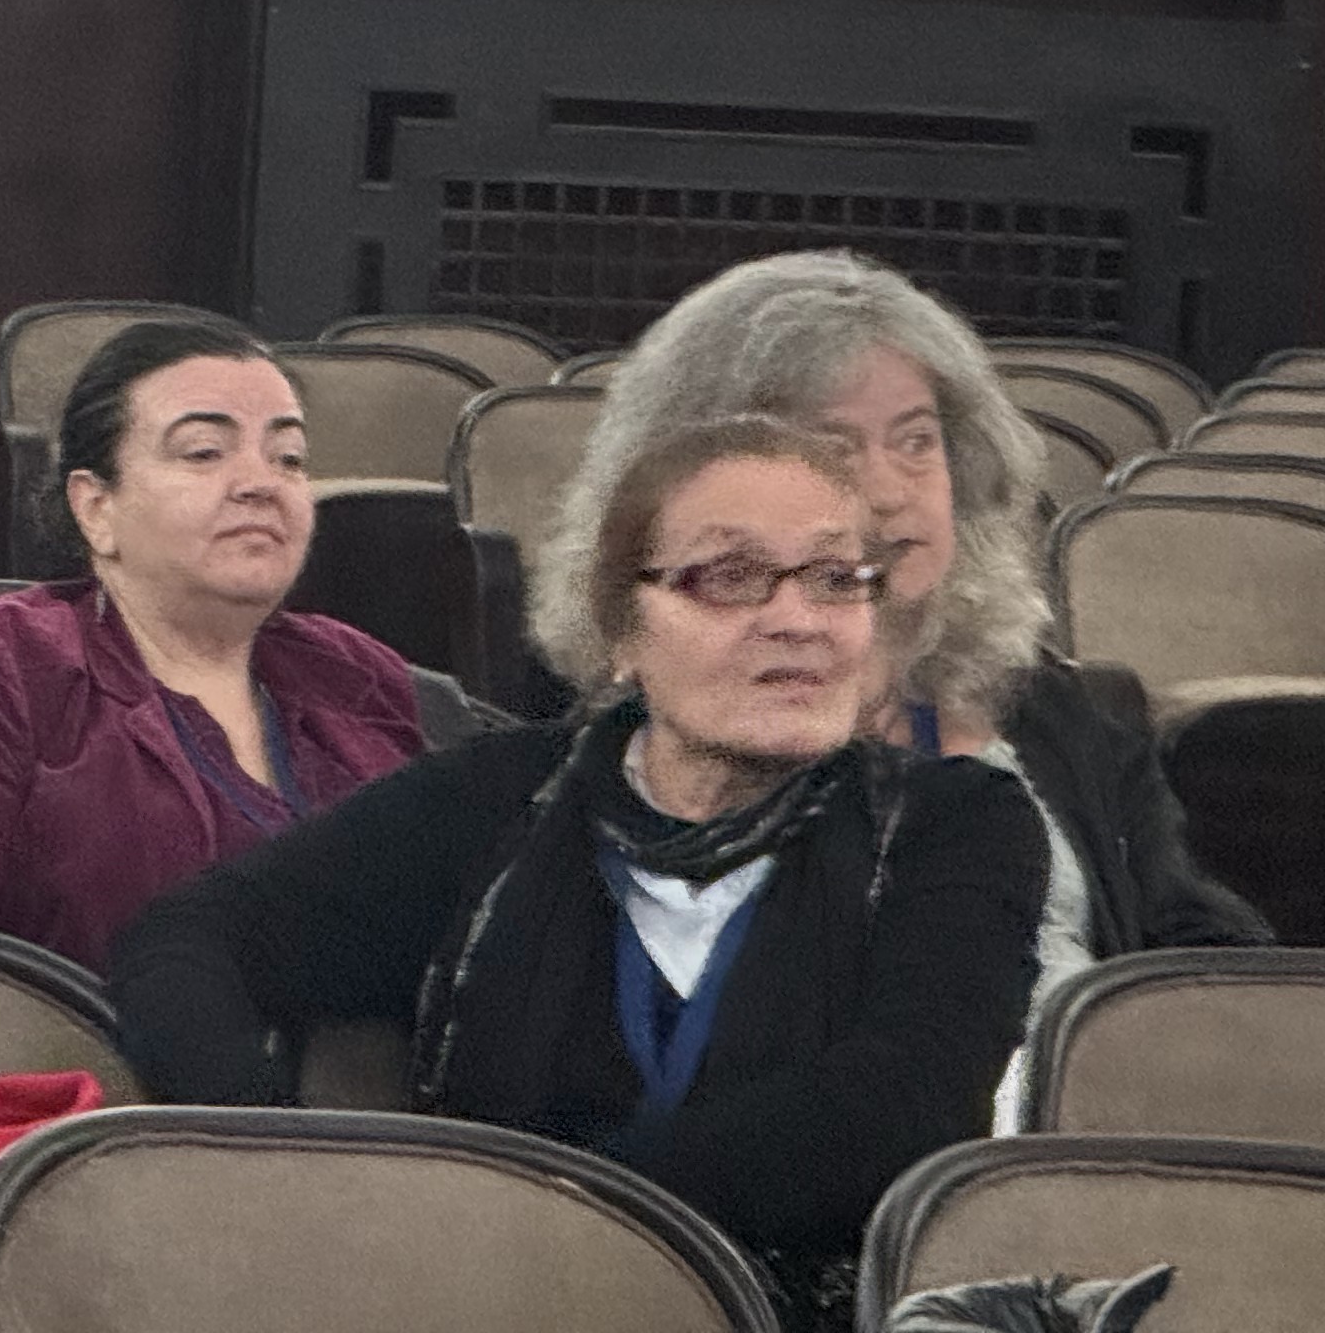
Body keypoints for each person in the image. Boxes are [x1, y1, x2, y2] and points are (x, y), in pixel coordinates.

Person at [112, 417, 1046, 1333]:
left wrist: (543, 1204)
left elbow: (899, 1108)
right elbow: (189, 939)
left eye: (837, 580)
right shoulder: (493, 802)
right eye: (731, 576)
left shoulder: (956, 824)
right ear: (621, 632)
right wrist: (285, 1160)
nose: (798, 621)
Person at [560, 252, 1265, 1015]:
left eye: (917, 442)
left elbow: (1200, 960)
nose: (891, 491)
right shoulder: (654, 744)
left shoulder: (1056, 711)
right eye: (833, 448)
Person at [0, 318, 422, 966]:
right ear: (96, 507)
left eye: (288, 458)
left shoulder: (358, 674)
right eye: (204, 452)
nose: (260, 483)